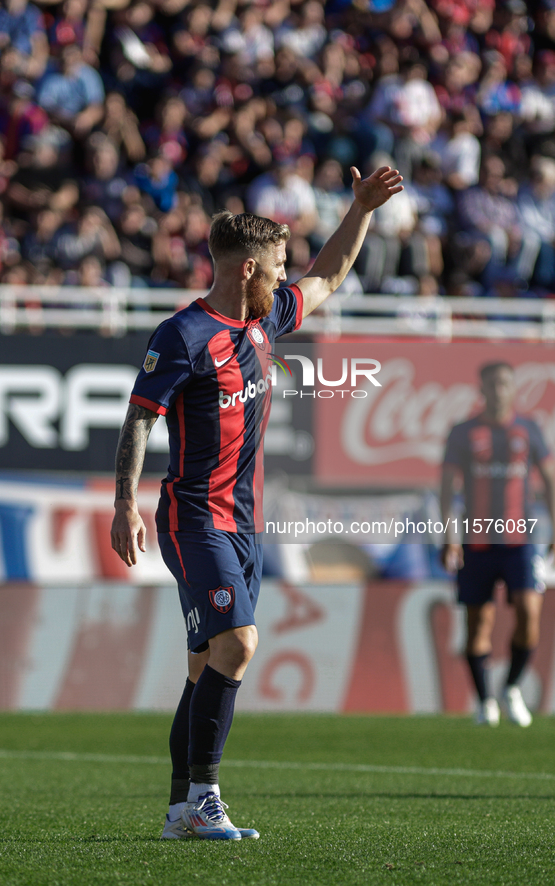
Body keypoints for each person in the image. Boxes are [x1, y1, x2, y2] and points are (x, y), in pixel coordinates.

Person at [110, 163, 403, 841]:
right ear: (245, 269)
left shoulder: (264, 318)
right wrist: (124, 503)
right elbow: (138, 419)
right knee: (237, 646)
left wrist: (359, 209)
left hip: (245, 527)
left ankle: (181, 809)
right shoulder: (182, 336)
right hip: (193, 519)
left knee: (202, 664)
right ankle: (206, 799)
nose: (285, 273)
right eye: (276, 263)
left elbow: (327, 277)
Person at [440, 362, 555, 727]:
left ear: (513, 388)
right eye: (492, 384)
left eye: (505, 383)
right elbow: (447, 488)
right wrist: (449, 536)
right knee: (478, 624)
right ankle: (485, 701)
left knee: (528, 613)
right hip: (476, 541)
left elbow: (550, 479)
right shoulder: (463, 432)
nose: (499, 390)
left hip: (521, 540)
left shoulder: (529, 430)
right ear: (482, 390)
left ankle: (511, 687)